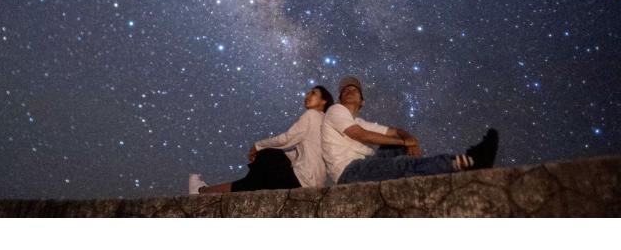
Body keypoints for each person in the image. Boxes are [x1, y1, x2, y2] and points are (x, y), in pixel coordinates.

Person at [322, 76, 499, 185]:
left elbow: (395, 131)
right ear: (340, 98)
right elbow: (359, 134)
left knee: (398, 149)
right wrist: (403, 141)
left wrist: (410, 139)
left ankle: (419, 170)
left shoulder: (360, 120)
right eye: (345, 90)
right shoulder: (336, 110)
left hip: (364, 163)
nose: (350, 90)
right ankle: (466, 160)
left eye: (354, 89)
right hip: (348, 172)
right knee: (401, 161)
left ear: (362, 102)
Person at [189, 85, 335, 194]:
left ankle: (201, 191)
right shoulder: (326, 124)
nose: (307, 95)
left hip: (301, 179)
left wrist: (258, 146)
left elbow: (286, 138)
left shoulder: (312, 115)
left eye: (313, 93)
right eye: (308, 92)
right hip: (313, 183)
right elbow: (300, 153)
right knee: (252, 183)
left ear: (324, 101)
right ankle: (202, 191)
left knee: (268, 154)